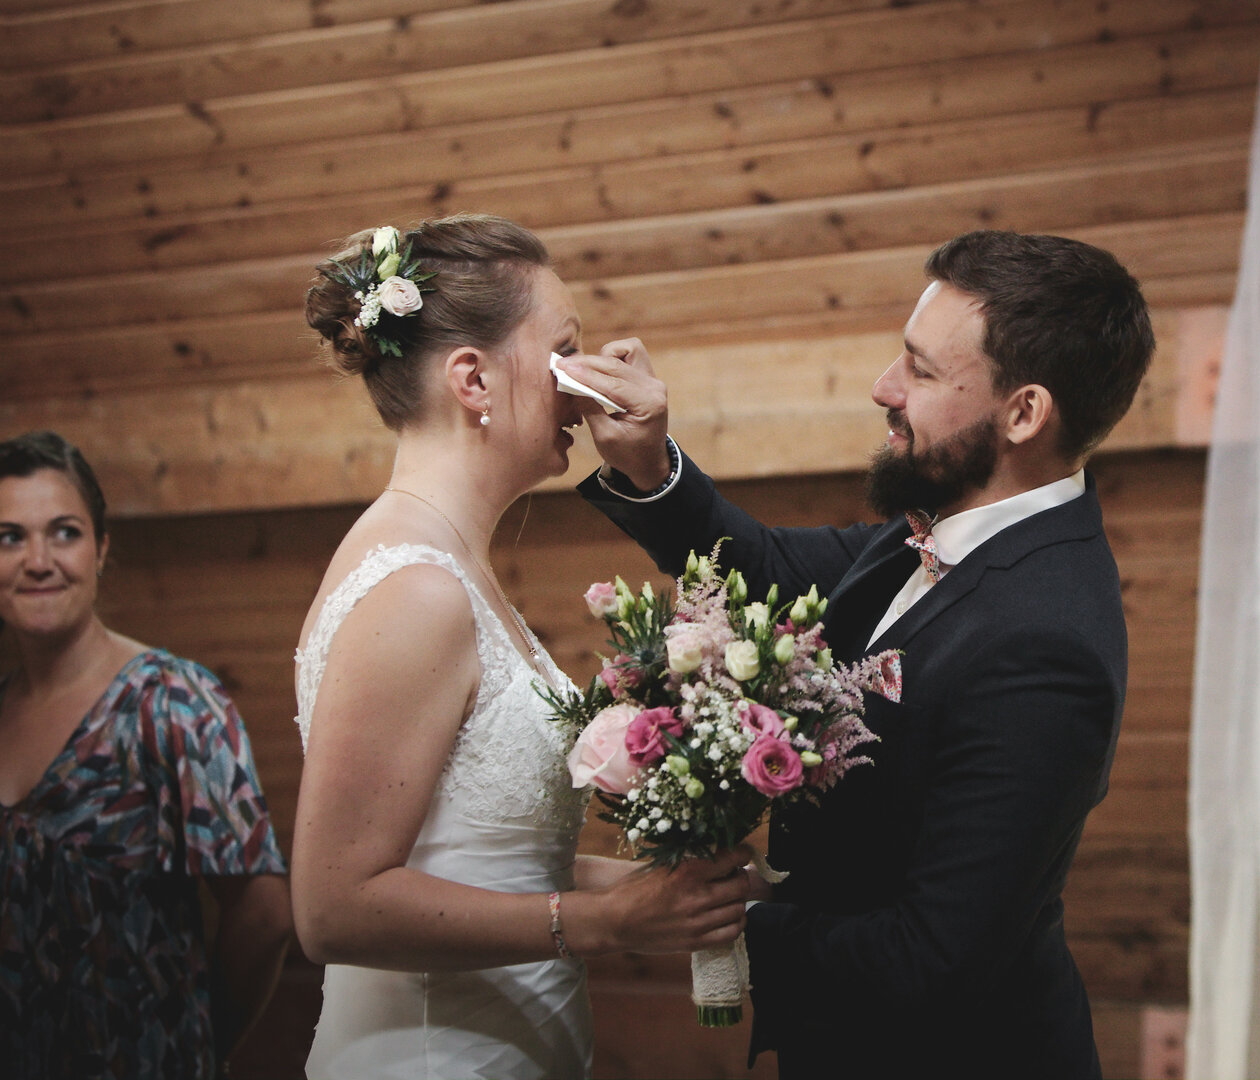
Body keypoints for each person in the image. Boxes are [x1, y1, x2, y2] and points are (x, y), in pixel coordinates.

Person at [563, 229, 1155, 1078]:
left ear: (1024, 413)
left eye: (919, 370)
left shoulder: (1043, 644)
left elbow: (931, 957)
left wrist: (706, 914)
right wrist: (652, 466)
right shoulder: (943, 526)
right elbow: (767, 571)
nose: (885, 387)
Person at [294, 213, 751, 1079]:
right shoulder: (416, 588)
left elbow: (481, 851)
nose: (588, 387)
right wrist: (603, 926)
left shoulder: (454, 566)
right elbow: (333, 908)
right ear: (473, 379)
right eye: (565, 351)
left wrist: (654, 892)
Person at [0, 430, 293, 1079]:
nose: (38, 560)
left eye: (65, 532)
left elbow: (266, 913)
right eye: (10, 537)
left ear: (102, 550)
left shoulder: (174, 701)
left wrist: (196, 1044)